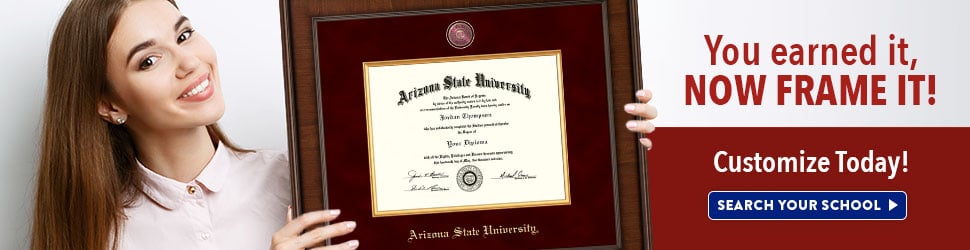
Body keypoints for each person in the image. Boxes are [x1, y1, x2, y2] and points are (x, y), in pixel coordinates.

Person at [30, 0, 656, 249]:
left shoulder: (309, 182)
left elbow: (482, 228)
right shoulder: (96, 233)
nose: (190, 60)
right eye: (149, 59)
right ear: (108, 104)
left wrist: (604, 140)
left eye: (184, 32)